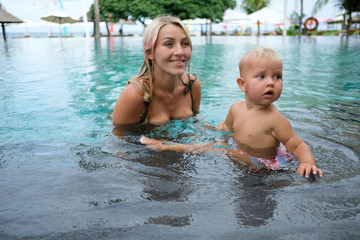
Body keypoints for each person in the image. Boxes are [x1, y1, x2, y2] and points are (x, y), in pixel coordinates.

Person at [140, 47, 323, 178]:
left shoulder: (275, 120)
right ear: (242, 84)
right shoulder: (236, 107)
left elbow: (297, 144)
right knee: (214, 146)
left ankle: (165, 146)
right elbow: (225, 129)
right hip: (242, 156)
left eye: (277, 76)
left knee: (211, 150)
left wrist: (307, 162)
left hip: (263, 166)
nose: (271, 82)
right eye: (261, 76)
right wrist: (212, 133)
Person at [113, 15, 201, 126]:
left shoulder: (192, 85)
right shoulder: (135, 94)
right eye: (168, 44)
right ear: (150, 53)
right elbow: (119, 142)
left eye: (185, 44)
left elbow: (196, 123)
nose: (180, 52)